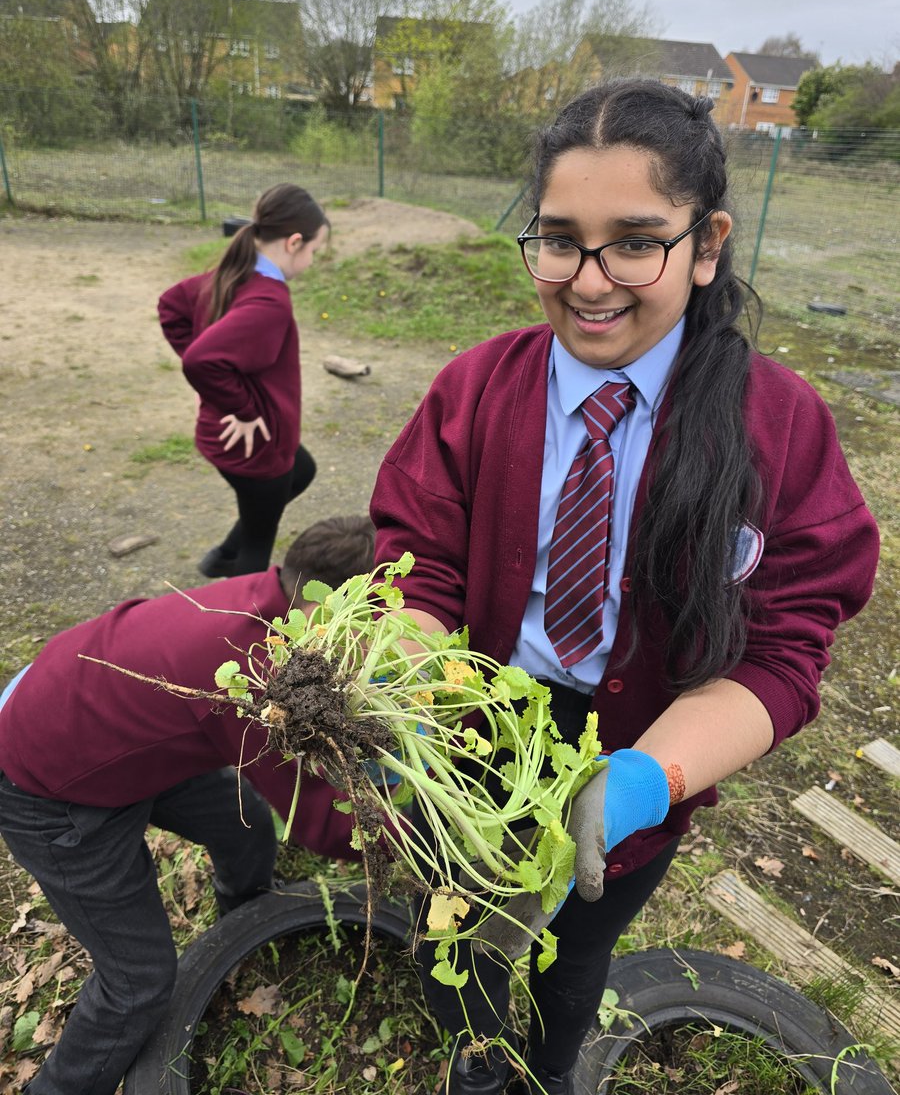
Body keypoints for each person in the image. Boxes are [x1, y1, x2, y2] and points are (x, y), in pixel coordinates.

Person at [369, 79, 880, 1095]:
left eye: (635, 241)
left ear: (707, 242)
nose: (590, 281)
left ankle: (553, 1069)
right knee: (454, 924)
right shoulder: (474, 388)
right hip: (472, 719)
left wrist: (648, 779)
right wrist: (413, 697)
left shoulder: (777, 426)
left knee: (577, 944)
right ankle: (477, 1066)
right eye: (559, 240)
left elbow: (783, 649)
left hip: (646, 739)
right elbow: (414, 559)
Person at [0, 514, 374, 1095]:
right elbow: (323, 825)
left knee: (244, 826)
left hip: (99, 726)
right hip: (49, 787)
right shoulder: (256, 670)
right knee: (139, 984)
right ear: (337, 604)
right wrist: (414, 826)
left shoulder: (263, 597)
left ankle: (245, 924)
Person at [159, 182, 329, 578]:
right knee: (257, 550)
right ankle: (244, 618)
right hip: (256, 448)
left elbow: (172, 305)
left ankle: (221, 556)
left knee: (301, 471)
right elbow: (202, 360)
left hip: (228, 436)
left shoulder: (235, 271)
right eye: (315, 252)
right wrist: (244, 406)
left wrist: (230, 394)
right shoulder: (268, 301)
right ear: (294, 242)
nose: (313, 261)